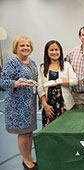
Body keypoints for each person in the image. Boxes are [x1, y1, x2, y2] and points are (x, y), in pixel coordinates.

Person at [0, 36, 38, 170]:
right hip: (18, 105)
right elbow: (3, 82)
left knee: (29, 132)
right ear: (16, 48)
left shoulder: (32, 63)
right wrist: (16, 83)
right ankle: (26, 159)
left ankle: (28, 156)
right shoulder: (11, 63)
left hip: (30, 103)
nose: (25, 48)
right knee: (23, 133)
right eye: (22, 45)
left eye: (27, 45)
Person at [38, 40, 78, 127]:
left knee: (66, 129)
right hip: (49, 106)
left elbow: (74, 81)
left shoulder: (66, 65)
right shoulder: (42, 67)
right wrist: (45, 105)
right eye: (51, 50)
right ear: (47, 52)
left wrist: (59, 82)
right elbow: (40, 88)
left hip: (65, 105)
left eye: (56, 50)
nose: (54, 52)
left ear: (60, 51)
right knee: (50, 131)